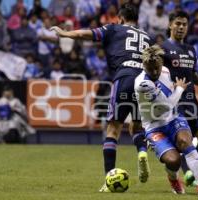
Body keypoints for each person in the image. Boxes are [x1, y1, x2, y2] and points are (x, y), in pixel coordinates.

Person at [50, 3, 151, 191]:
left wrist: (64, 33)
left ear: (120, 18)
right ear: (136, 20)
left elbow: (84, 34)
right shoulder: (147, 36)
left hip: (124, 77)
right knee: (137, 125)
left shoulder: (113, 28)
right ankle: (142, 152)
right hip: (144, 82)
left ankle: (108, 179)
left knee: (114, 129)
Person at [134, 45, 198, 196]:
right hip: (154, 126)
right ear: (144, 66)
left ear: (161, 64)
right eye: (151, 69)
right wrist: (180, 89)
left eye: (157, 68)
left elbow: (168, 97)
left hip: (174, 118)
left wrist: (173, 88)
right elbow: (167, 105)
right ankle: (173, 178)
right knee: (173, 160)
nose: (155, 72)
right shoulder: (143, 83)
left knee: (185, 142)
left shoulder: (166, 71)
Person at [160, 11, 198, 186]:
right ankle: (184, 174)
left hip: (191, 102)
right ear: (170, 25)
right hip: (174, 103)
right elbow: (154, 72)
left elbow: (192, 74)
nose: (181, 27)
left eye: (184, 24)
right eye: (178, 23)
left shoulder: (191, 50)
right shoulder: (162, 49)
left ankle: (191, 172)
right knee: (182, 142)